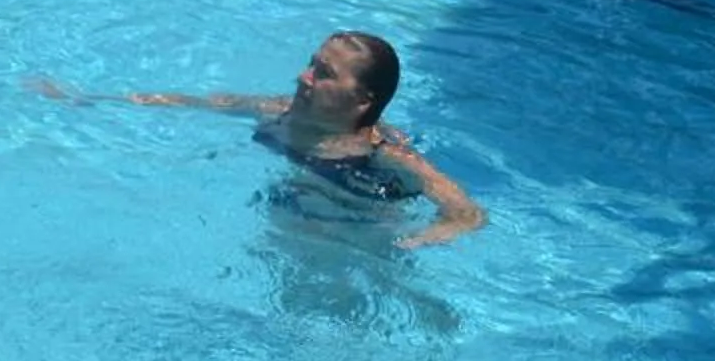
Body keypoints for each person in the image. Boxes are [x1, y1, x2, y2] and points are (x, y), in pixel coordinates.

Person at [41, 31, 486, 250]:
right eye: (310, 64)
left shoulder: (384, 155)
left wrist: (412, 241)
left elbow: (466, 213)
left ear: (362, 101)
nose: (303, 77)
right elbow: (192, 102)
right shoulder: (276, 111)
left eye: (323, 74)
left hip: (353, 239)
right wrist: (88, 98)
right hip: (287, 224)